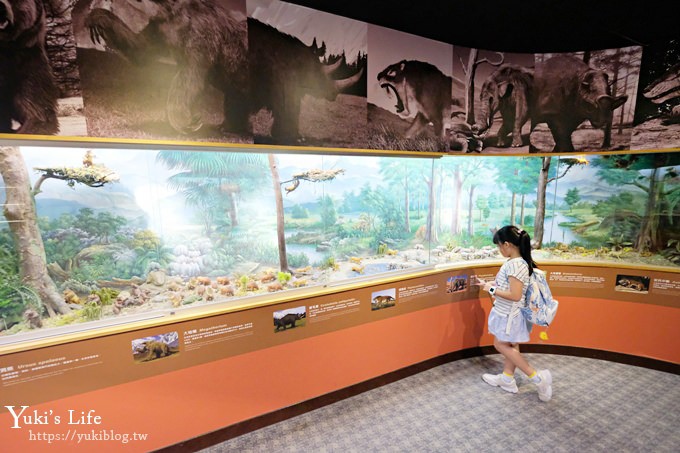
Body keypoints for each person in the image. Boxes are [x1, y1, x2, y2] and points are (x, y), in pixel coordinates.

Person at [473, 225, 553, 402]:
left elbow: (515, 295)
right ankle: (507, 378)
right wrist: (490, 283)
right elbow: (510, 286)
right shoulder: (518, 262)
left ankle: (537, 378)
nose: (499, 249)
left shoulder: (516, 265)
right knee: (512, 344)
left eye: (499, 246)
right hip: (511, 314)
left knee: (500, 345)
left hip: (509, 314)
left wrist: (491, 288)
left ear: (507, 245)